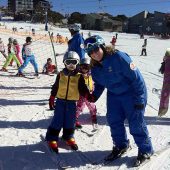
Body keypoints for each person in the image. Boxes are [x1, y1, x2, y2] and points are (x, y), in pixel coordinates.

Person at [84, 35, 154, 166]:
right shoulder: (95, 67)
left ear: (102, 47)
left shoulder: (119, 57)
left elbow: (137, 79)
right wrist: (94, 96)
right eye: (90, 52)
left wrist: (139, 99)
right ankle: (121, 145)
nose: (94, 54)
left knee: (136, 123)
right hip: (114, 95)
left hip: (131, 93)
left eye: (96, 49)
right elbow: (99, 84)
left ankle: (146, 150)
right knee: (114, 120)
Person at [46, 51, 91, 153]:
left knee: (70, 121)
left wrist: (88, 95)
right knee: (58, 120)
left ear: (77, 63)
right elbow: (56, 86)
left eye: (74, 62)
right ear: (64, 63)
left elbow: (83, 89)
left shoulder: (79, 77)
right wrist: (52, 97)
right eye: (68, 62)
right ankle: (52, 137)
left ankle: (68, 136)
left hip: (72, 102)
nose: (71, 65)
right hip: (60, 101)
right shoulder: (61, 75)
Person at [76, 57, 97, 129]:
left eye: (87, 67)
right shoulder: (79, 75)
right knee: (80, 107)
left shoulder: (92, 75)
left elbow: (94, 82)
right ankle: (74, 118)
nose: (84, 69)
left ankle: (93, 116)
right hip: (82, 95)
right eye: (82, 67)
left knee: (92, 106)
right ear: (80, 67)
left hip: (90, 94)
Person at [158, 48, 170, 117]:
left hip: (166, 82)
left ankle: (162, 111)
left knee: (165, 95)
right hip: (167, 80)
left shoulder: (166, 60)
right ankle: (162, 111)